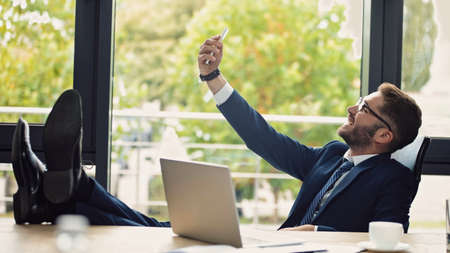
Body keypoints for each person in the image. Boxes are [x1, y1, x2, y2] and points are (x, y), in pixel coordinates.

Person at [11, 34, 421, 233]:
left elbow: (387, 238)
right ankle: (59, 194)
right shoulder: (331, 155)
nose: (353, 108)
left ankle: (55, 190)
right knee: (160, 229)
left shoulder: (393, 179)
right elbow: (263, 138)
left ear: (384, 136)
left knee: (163, 235)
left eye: (365, 108)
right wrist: (213, 78)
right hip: (269, 245)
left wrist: (321, 233)